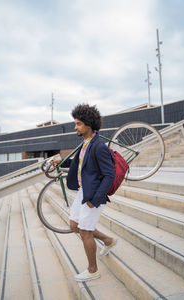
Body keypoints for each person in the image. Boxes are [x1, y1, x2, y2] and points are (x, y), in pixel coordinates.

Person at [51, 104, 117, 282]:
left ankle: (92, 270)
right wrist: (60, 162)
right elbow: (78, 162)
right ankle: (108, 240)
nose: (75, 127)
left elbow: (109, 175)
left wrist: (94, 200)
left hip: (93, 195)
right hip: (84, 191)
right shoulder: (86, 143)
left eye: (78, 124)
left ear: (88, 124)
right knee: (74, 225)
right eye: (75, 123)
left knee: (85, 231)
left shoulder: (99, 146)